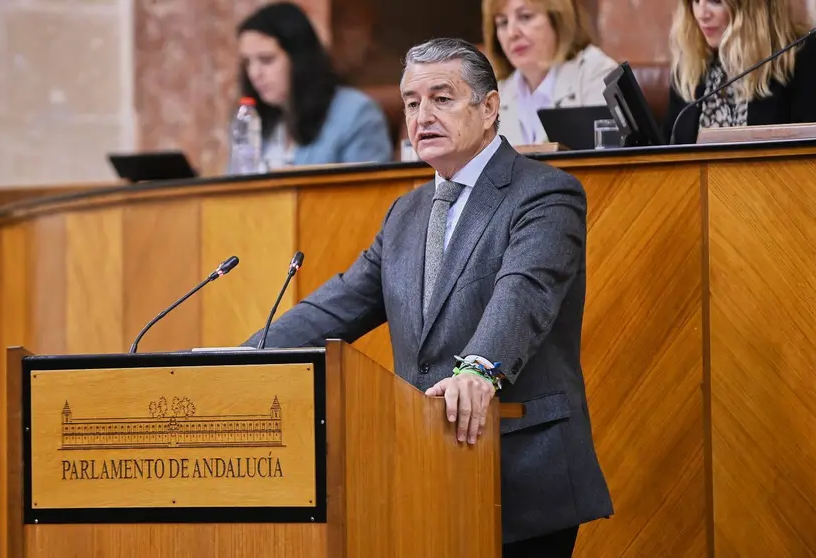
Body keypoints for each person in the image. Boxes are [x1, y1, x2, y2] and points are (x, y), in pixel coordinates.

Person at [243, 37, 612, 557]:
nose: (423, 116)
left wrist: (479, 368)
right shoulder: (407, 213)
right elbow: (339, 305)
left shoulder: (545, 194)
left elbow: (524, 292)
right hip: (423, 475)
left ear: (488, 109)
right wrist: (241, 358)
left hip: (521, 473)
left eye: (442, 98)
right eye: (412, 103)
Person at [234, 2, 393, 169]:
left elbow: (371, 193)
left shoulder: (357, 114)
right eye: (247, 62)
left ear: (299, 60)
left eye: (266, 60)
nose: (254, 73)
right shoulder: (250, 118)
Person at [665, 0, 816, 144]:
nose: (702, 14)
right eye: (694, 1)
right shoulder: (691, 67)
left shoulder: (803, 57)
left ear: (751, 7)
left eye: (715, 1)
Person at [482, 0, 618, 145]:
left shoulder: (595, 74)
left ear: (557, 20)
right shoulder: (494, 94)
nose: (512, 33)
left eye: (525, 17)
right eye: (503, 22)